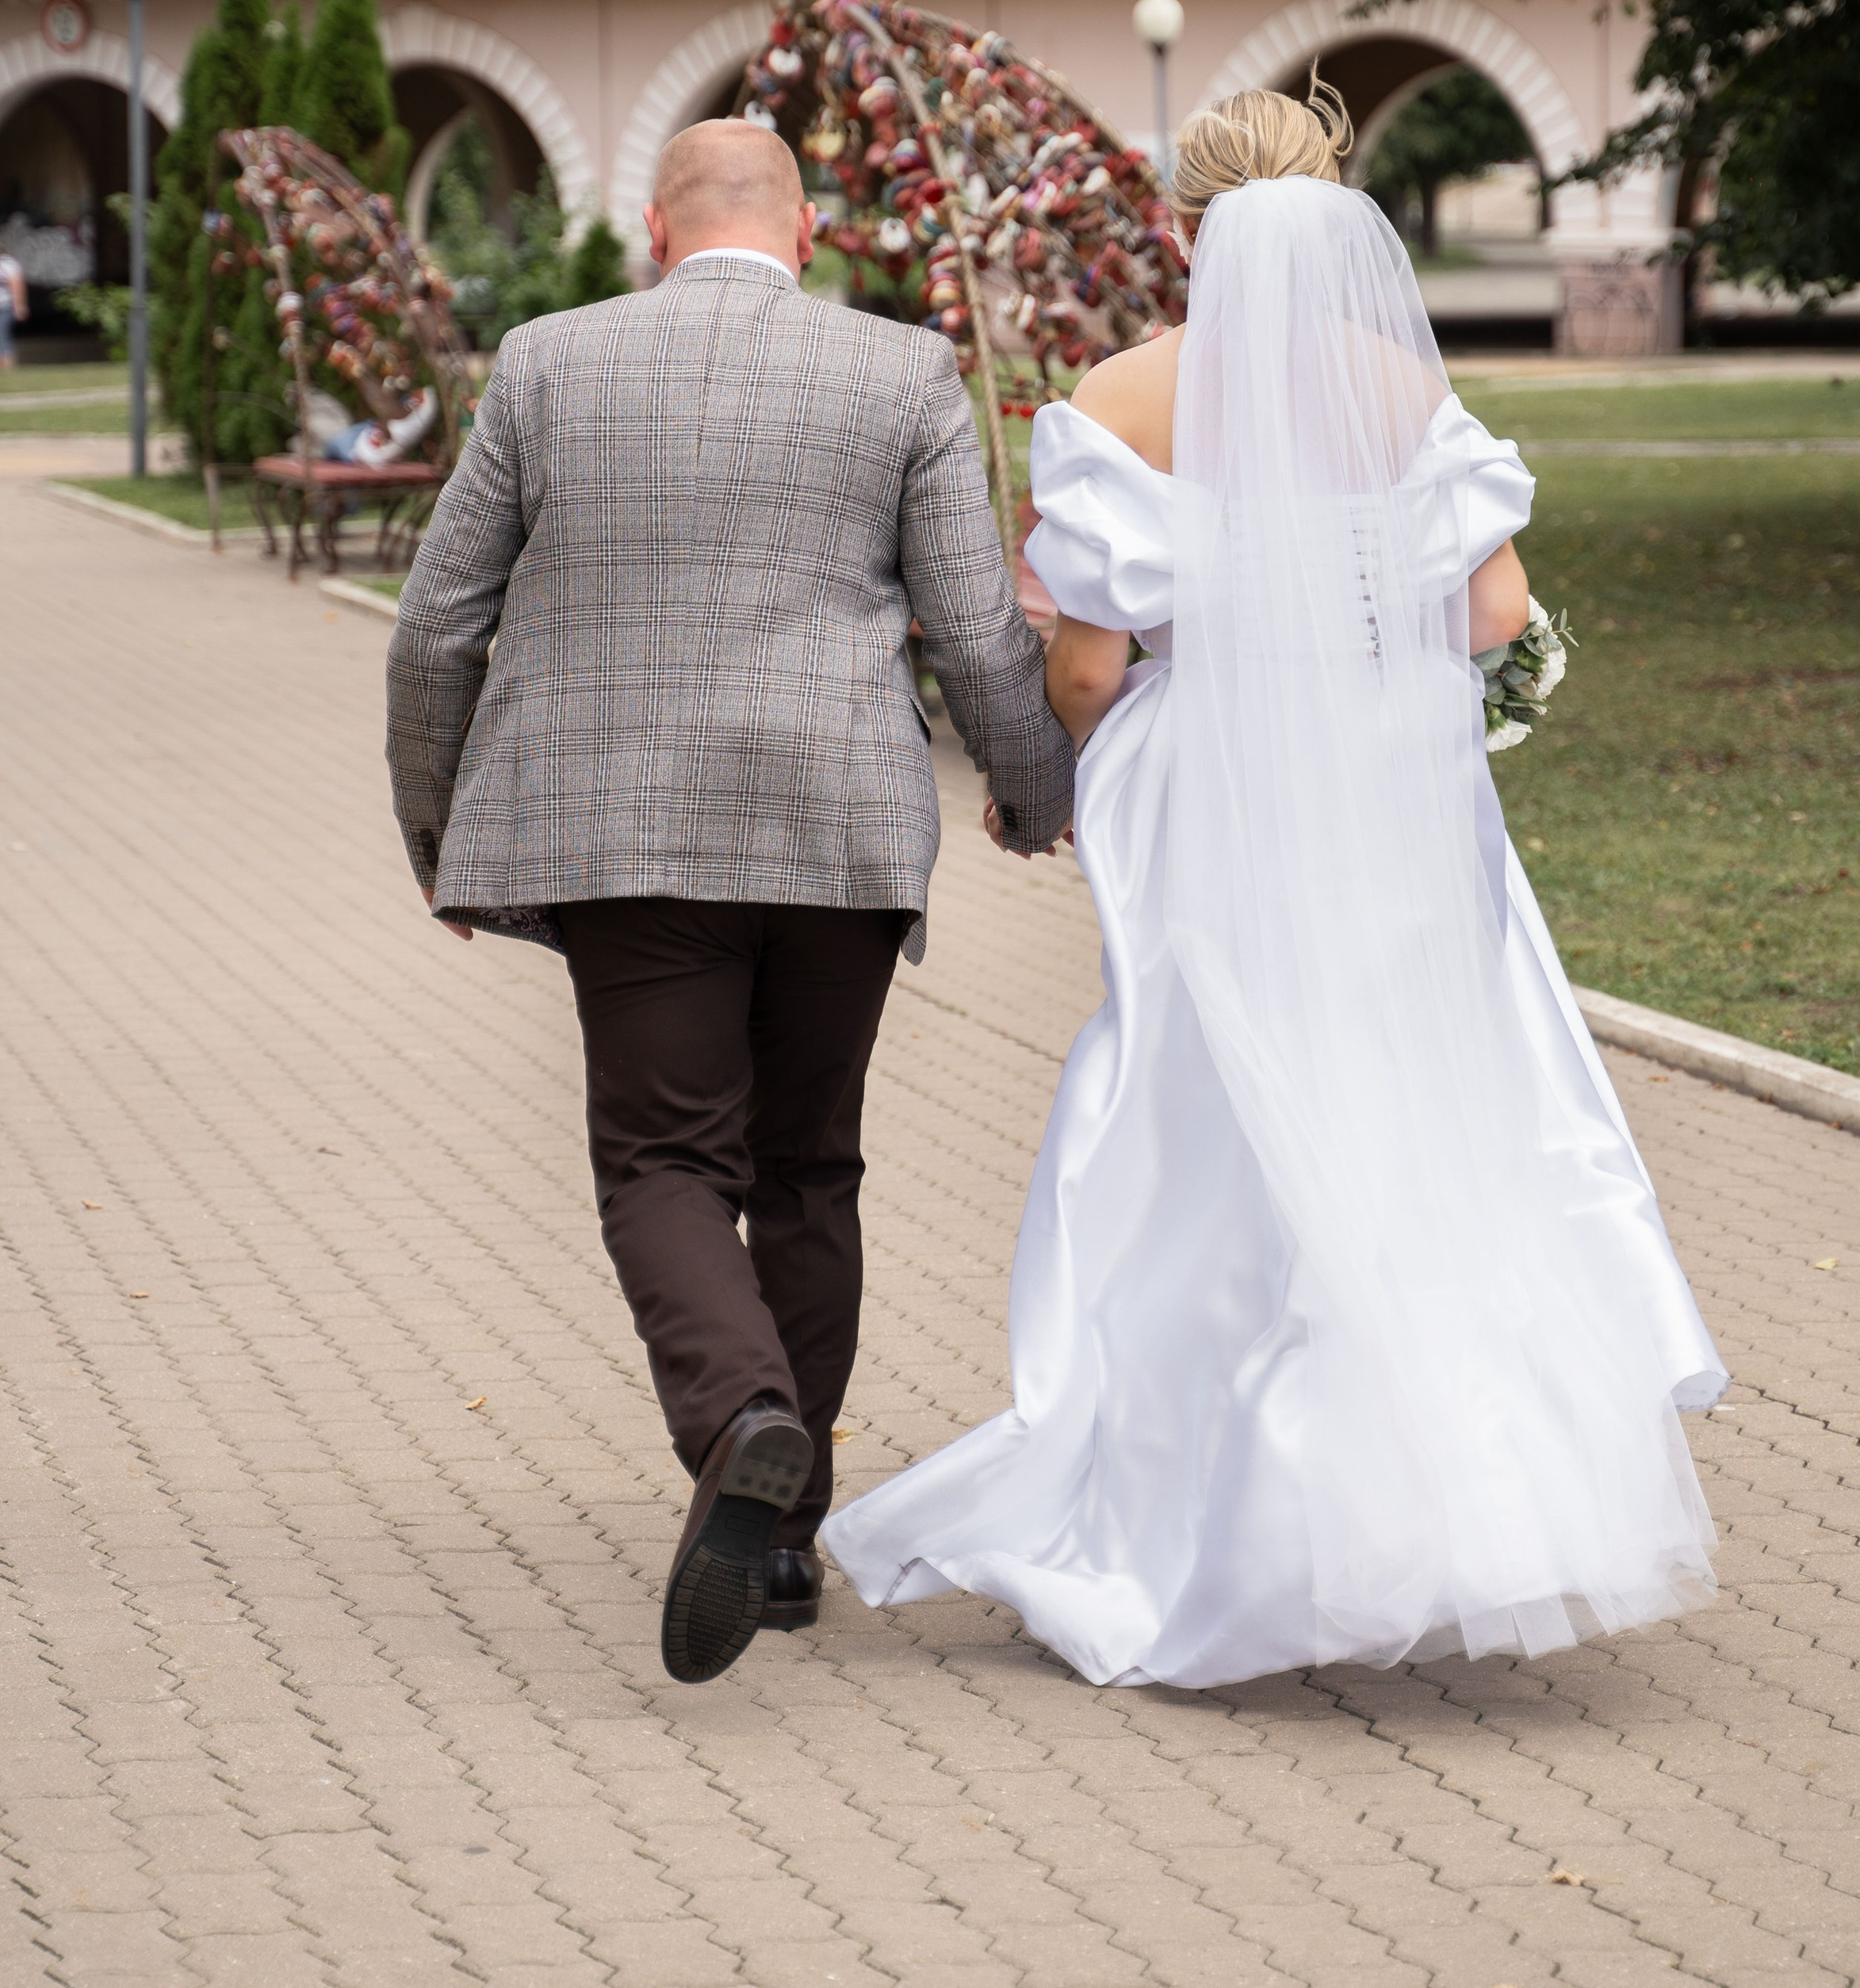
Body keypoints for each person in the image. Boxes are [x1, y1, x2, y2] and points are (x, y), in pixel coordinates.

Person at [825, 83, 1724, 1688]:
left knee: (1200, 1117)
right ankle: (1446, 1498)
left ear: (1186, 228)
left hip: (1208, 790)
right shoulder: (1393, 385)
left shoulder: (1122, 388)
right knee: (1403, 1095)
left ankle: (1208, 1518)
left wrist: (1092, 751)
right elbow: (1491, 610)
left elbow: (1092, 667)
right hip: (1385, 778)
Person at [385, 119, 1074, 1687]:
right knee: (807, 1167)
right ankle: (776, 1537)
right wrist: (1038, 796)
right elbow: (975, 637)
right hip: (838, 828)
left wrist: (440, 835)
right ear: (809, 232)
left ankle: (740, 1427)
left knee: (662, 1157)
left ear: (652, 232)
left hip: (622, 836)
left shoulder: (546, 364)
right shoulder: (900, 375)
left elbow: (434, 633)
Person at [0, 249, 28, 369]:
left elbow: (17, 286)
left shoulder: (8, 263)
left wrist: (20, 307)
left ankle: (8, 368)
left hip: (4, 307)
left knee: (2, 338)